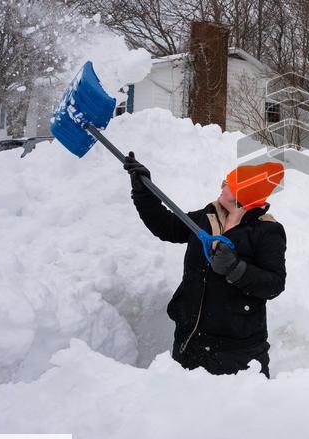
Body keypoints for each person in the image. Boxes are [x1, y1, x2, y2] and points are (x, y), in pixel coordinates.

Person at [123, 152, 287, 378]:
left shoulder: (267, 232)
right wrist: (144, 191)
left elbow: (274, 284)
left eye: (227, 184)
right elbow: (166, 226)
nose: (221, 186)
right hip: (189, 341)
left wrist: (235, 269)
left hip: (237, 353)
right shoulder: (209, 216)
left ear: (241, 194)